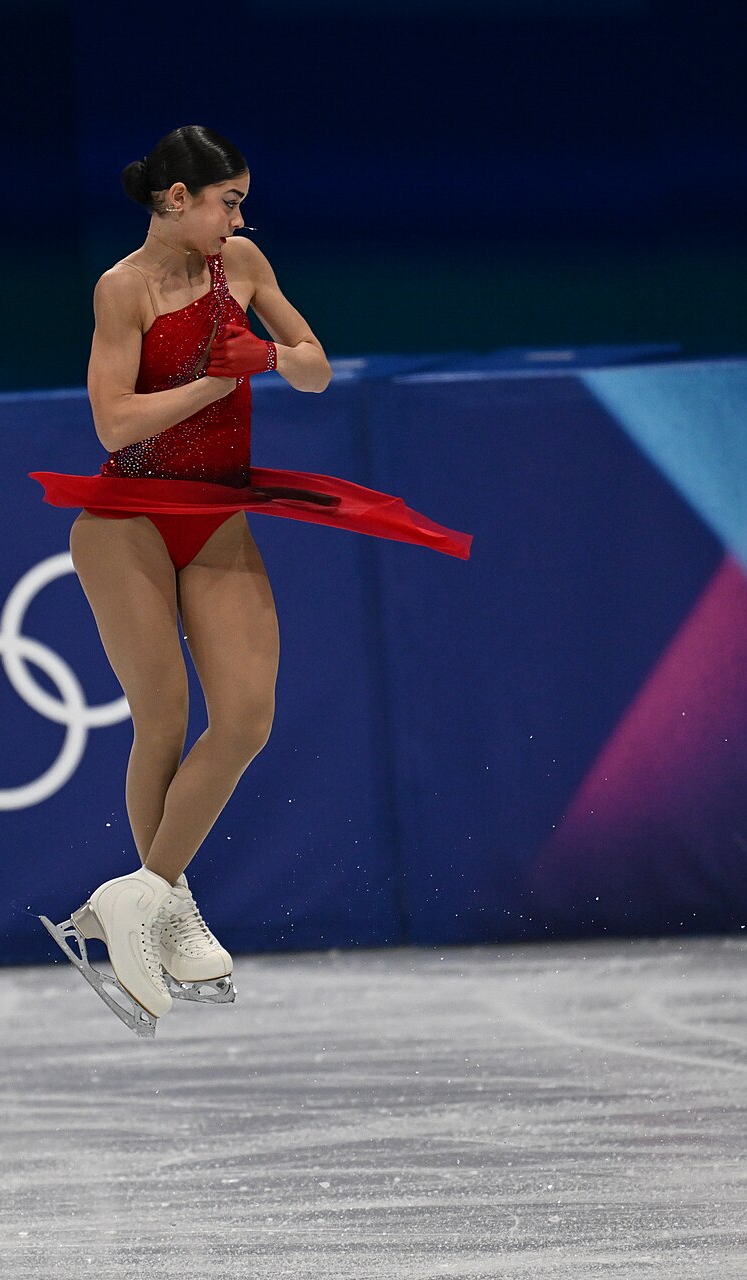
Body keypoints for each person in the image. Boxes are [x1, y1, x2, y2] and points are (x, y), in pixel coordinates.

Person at [33, 126, 469, 1037]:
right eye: (226, 199)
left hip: (219, 514)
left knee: (246, 718)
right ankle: (168, 898)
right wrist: (206, 380)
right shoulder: (123, 288)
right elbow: (114, 425)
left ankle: (143, 896)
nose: (238, 215)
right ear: (176, 198)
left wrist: (265, 358)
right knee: (165, 718)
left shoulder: (244, 264)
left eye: (240, 201)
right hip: (128, 521)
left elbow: (316, 369)